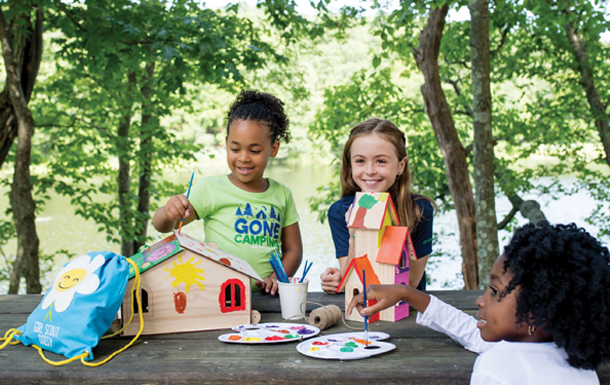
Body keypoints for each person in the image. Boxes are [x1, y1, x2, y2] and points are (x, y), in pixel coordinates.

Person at [348, 222, 610, 385]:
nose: (481, 299)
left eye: (494, 291)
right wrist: (409, 293)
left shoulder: (497, 367)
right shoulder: (577, 362)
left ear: (535, 314)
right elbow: (473, 332)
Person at [153, 90, 302, 295]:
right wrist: (168, 213)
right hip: (218, 296)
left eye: (255, 151)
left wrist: (277, 278)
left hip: (265, 299)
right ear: (226, 144)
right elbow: (162, 226)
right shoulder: (210, 189)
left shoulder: (282, 194)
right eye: (235, 149)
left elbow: (294, 249)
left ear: (274, 149)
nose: (243, 158)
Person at [320, 118, 435, 294]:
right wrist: (354, 238)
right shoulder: (340, 211)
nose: (370, 170)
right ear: (350, 165)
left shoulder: (420, 210)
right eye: (360, 161)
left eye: (381, 161)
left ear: (400, 165)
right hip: (363, 308)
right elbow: (352, 278)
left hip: (406, 310)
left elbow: (411, 282)